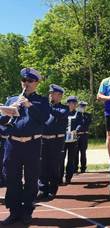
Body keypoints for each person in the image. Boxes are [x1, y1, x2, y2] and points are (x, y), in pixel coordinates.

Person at [0, 68, 50, 225]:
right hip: (13, 144)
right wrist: (9, 112)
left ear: (36, 83)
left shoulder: (42, 101)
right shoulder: (11, 99)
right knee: (12, 179)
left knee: (31, 179)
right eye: (24, 81)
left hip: (32, 144)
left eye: (30, 81)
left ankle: (27, 210)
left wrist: (29, 105)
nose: (26, 84)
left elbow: (43, 119)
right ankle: (14, 212)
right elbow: (1, 122)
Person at [38, 84, 69, 200]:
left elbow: (59, 114)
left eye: (53, 93)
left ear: (59, 95)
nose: (50, 95)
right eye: (50, 93)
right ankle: (42, 189)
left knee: (54, 165)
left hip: (56, 140)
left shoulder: (64, 108)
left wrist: (47, 107)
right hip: (43, 139)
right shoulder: (46, 107)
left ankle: (52, 189)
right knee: (42, 165)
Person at [60, 96, 82, 184]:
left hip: (73, 139)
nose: (72, 105)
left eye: (74, 103)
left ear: (76, 105)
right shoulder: (62, 113)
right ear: (67, 104)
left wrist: (77, 130)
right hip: (62, 139)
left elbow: (80, 123)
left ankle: (68, 177)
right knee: (61, 159)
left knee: (71, 159)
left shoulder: (78, 114)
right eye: (70, 103)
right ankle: (59, 177)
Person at [75, 101, 92, 173]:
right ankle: (75, 168)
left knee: (83, 152)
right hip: (77, 135)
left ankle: (83, 168)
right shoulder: (75, 115)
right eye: (81, 106)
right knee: (75, 153)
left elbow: (86, 124)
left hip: (84, 135)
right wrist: (78, 114)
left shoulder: (87, 115)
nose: (82, 108)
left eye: (83, 106)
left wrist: (82, 115)